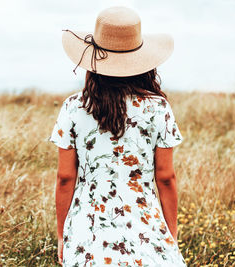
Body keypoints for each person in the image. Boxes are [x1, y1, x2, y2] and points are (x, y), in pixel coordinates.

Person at [48, 6, 187, 267]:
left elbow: (65, 177)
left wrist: (61, 236)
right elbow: (166, 177)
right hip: (146, 228)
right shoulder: (159, 108)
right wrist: (171, 236)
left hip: (86, 232)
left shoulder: (73, 107)